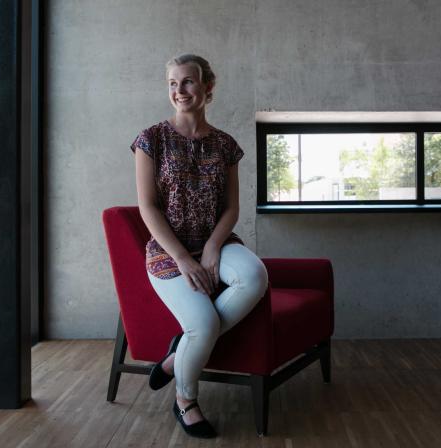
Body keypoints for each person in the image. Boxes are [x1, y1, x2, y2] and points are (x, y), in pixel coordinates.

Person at [130, 54, 268, 439]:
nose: (180, 91)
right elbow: (148, 207)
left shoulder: (226, 145)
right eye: (173, 84)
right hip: (167, 250)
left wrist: (211, 249)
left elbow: (232, 208)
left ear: (208, 86)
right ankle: (186, 399)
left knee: (255, 275)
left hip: (216, 241)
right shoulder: (150, 139)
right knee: (203, 322)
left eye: (188, 82)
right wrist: (182, 258)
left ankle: (178, 356)